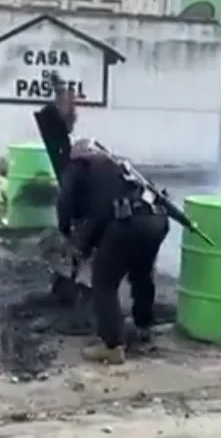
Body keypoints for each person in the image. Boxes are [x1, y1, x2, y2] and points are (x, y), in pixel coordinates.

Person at [55, 138, 170, 365]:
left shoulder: (79, 166)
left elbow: (70, 203)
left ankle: (112, 346)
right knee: (142, 274)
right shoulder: (120, 166)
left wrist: (72, 236)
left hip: (128, 223)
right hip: (157, 220)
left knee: (104, 283)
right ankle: (143, 326)